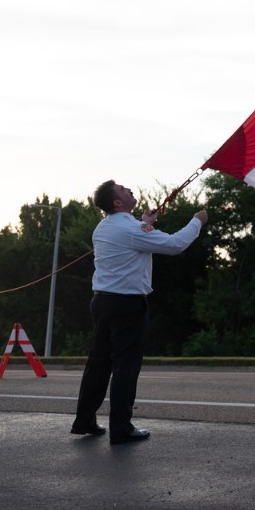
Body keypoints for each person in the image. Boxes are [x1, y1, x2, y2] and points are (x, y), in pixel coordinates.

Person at [71, 181, 207, 444]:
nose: (129, 190)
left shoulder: (105, 227)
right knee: (125, 366)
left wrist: (146, 222)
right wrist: (197, 222)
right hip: (127, 305)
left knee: (98, 365)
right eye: (123, 190)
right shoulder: (131, 230)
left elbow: (135, 237)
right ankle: (121, 428)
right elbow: (175, 244)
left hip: (102, 302)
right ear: (117, 203)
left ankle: (84, 420)